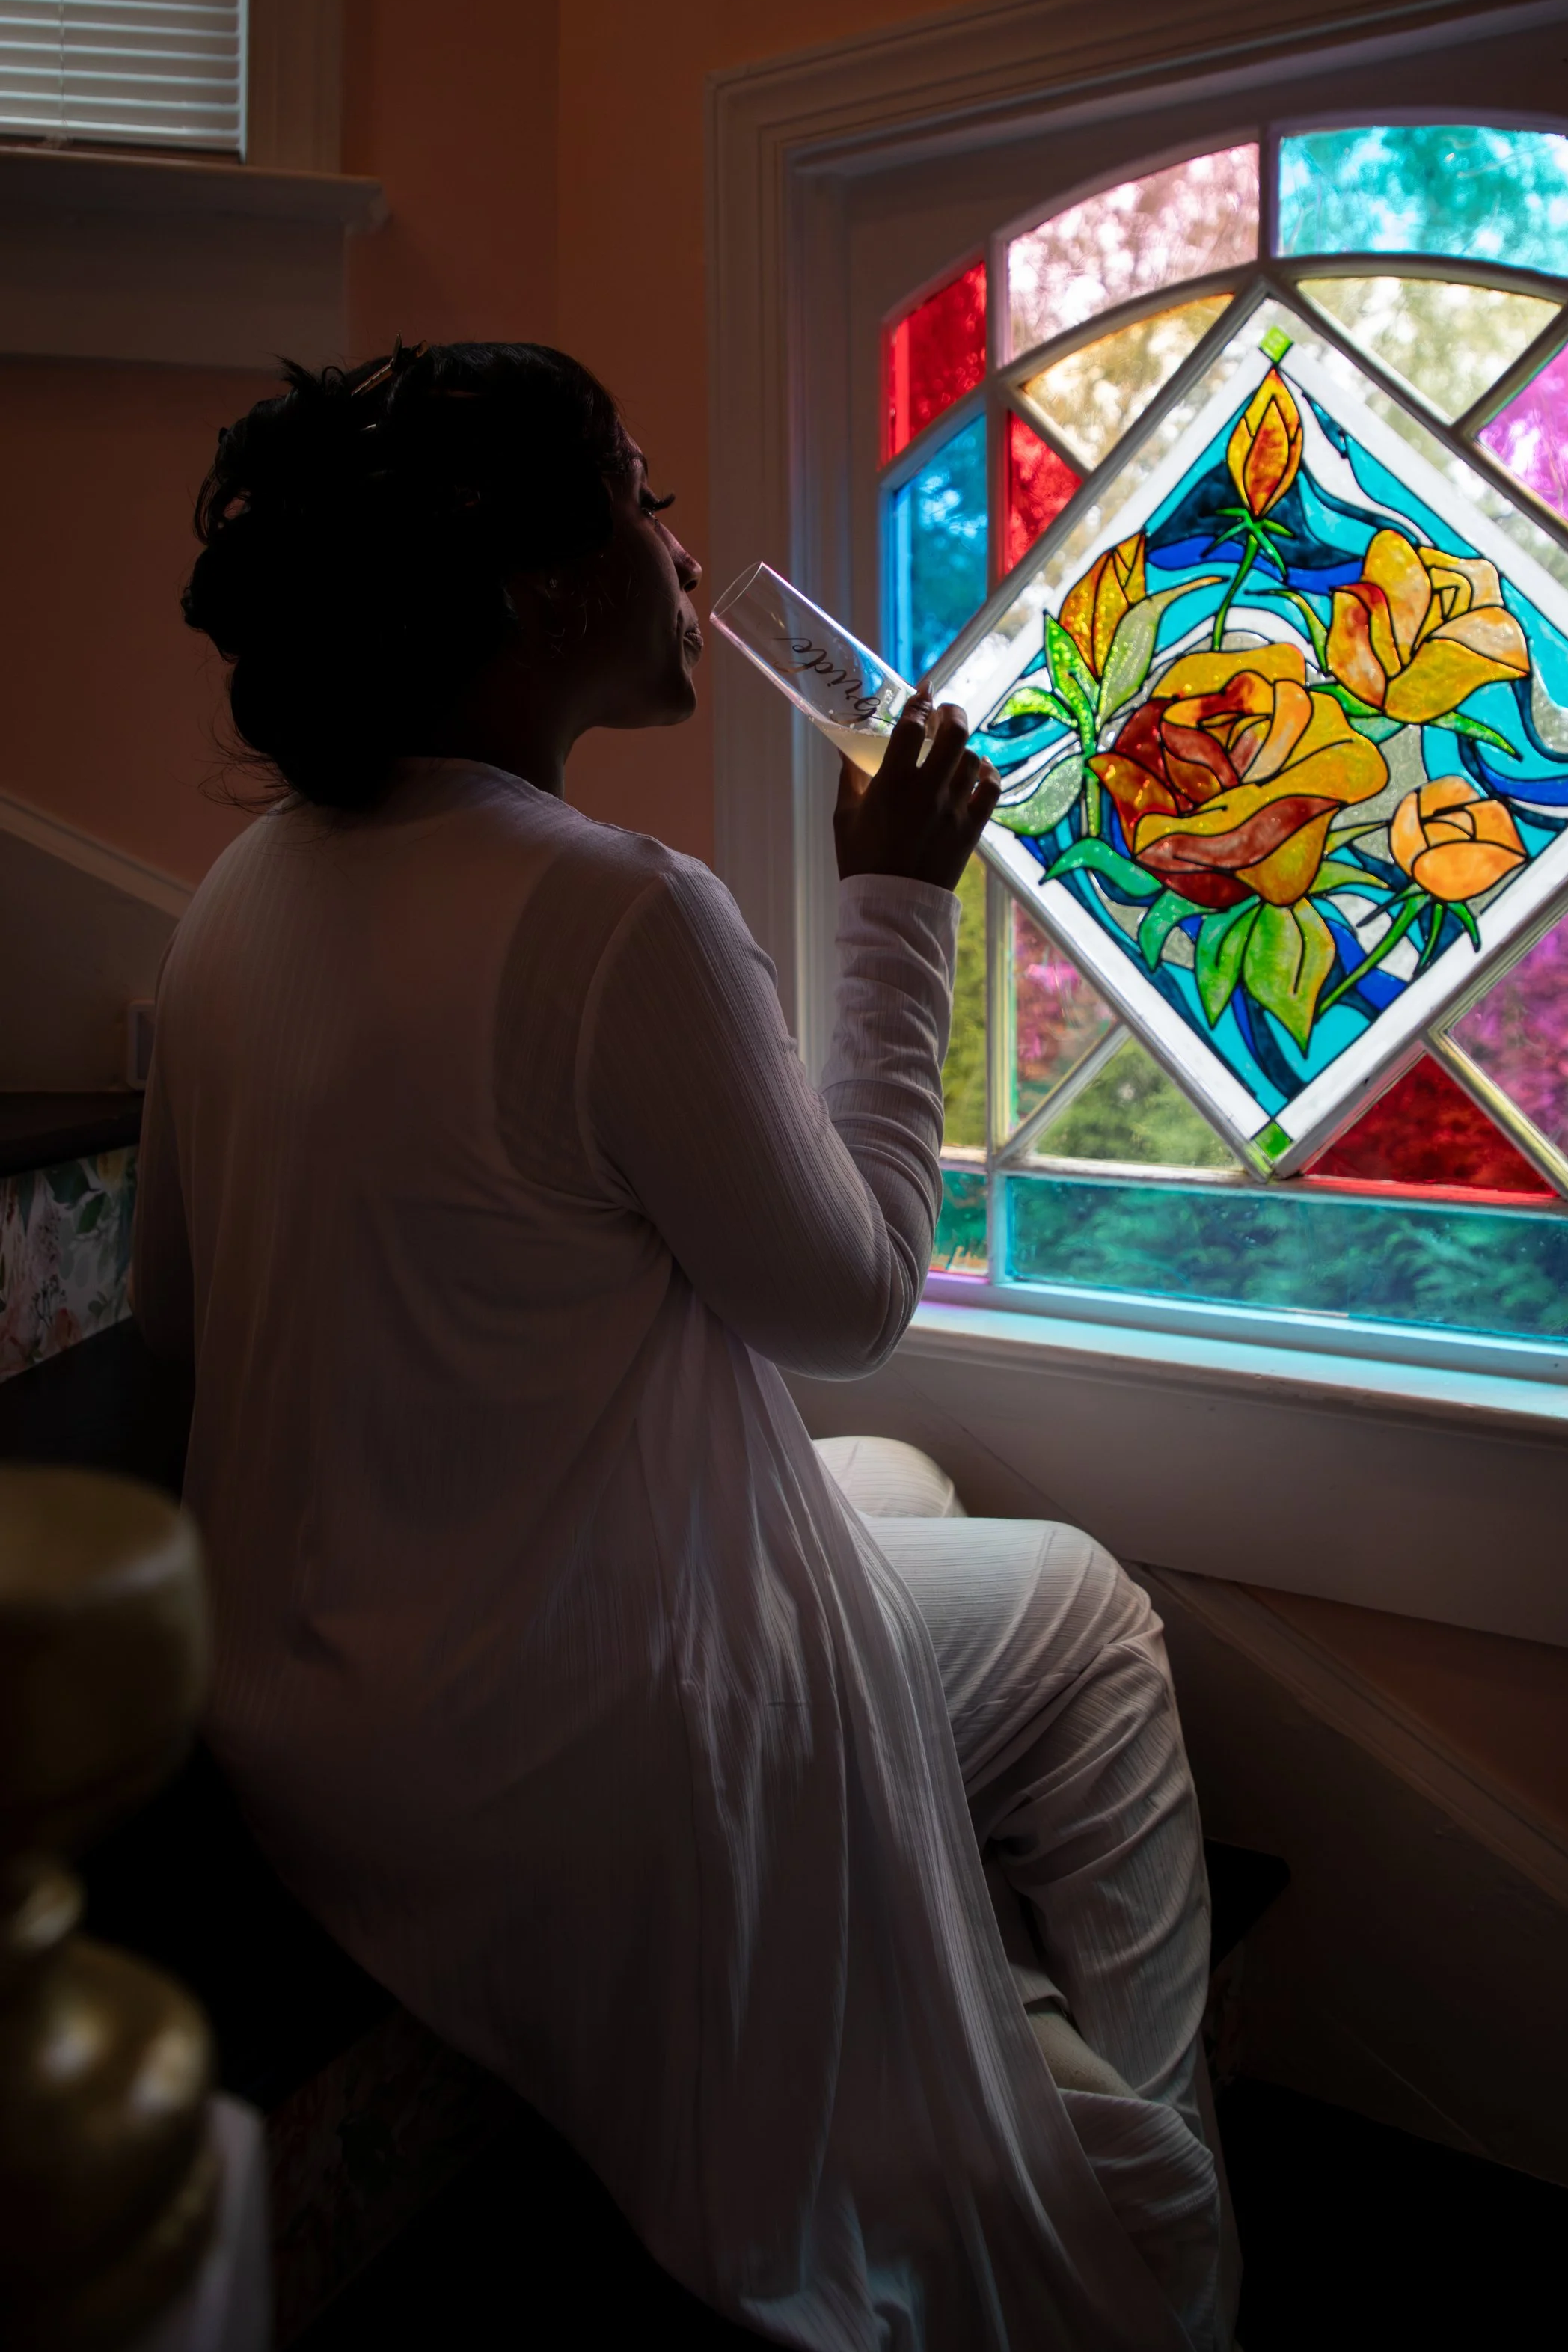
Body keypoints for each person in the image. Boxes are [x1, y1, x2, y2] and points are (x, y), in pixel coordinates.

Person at [134, 340, 1234, 2349]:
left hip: (310, 1724)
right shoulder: (611, 912)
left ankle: (986, 2023)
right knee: (1082, 1614)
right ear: (543, 595)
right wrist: (897, 908)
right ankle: (1131, 2173)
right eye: (640, 500)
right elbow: (847, 1297)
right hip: (551, 1768)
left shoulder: (232, 900)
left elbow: (184, 1328)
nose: (683, 548)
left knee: (883, 1495)